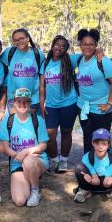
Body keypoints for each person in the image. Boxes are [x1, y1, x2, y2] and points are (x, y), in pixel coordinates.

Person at [0, 88, 49, 207]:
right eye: (19, 101)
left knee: (29, 160)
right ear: (13, 102)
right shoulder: (7, 121)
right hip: (17, 163)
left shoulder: (37, 120)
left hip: (37, 160)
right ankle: (30, 178)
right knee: (20, 201)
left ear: (30, 103)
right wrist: (19, 156)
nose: (22, 104)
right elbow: (6, 148)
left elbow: (43, 144)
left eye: (26, 101)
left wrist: (26, 152)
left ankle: (35, 190)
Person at [76, 29, 112, 153]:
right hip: (84, 107)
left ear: (96, 45)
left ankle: (104, 166)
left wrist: (109, 103)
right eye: (84, 44)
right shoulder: (80, 60)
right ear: (80, 45)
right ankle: (88, 165)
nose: (88, 47)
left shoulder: (102, 61)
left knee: (101, 139)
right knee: (88, 137)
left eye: (91, 44)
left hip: (101, 109)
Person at [39, 35, 79, 172]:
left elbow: (87, 54)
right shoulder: (45, 63)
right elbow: (42, 86)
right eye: (57, 44)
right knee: (50, 136)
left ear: (66, 49)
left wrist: (98, 52)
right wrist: (41, 104)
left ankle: (64, 161)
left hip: (69, 104)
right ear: (52, 46)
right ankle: (54, 159)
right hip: (51, 106)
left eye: (63, 46)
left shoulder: (71, 60)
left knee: (67, 132)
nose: (59, 47)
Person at [74, 128, 112, 203]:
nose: (100, 147)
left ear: (108, 145)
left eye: (104, 144)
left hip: (107, 182)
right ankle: (85, 190)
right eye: (97, 143)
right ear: (92, 143)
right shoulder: (87, 157)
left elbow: (106, 183)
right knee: (79, 168)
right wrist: (92, 179)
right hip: (92, 182)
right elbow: (95, 180)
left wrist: (109, 183)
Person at [0, 28, 45, 114]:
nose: (19, 41)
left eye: (22, 38)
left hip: (33, 99)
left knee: (32, 125)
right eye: (16, 40)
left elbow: (43, 75)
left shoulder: (38, 54)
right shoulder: (9, 52)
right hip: (13, 99)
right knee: (15, 125)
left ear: (28, 38)